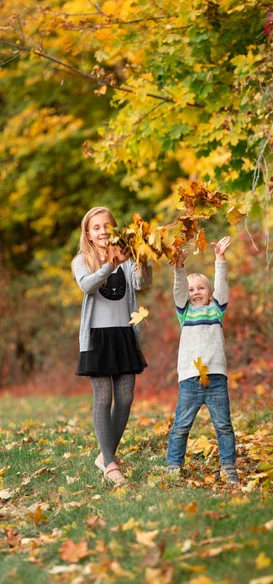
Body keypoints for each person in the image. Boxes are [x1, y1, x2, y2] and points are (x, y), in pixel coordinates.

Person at [72, 207, 152, 485]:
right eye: (96, 227)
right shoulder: (82, 260)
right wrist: (109, 263)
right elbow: (87, 285)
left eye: (108, 225)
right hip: (97, 337)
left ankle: (106, 455)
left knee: (126, 398)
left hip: (124, 335)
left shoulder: (127, 259)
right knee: (103, 398)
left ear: (116, 229)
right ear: (89, 234)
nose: (103, 231)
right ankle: (110, 463)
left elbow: (142, 283)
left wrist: (142, 258)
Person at [166, 236, 239, 485]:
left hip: (216, 377)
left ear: (210, 293)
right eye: (192, 289)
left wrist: (220, 259)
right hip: (190, 379)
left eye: (201, 288)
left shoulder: (216, 310)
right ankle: (173, 466)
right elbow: (178, 290)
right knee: (180, 427)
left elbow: (222, 285)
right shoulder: (184, 313)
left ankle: (228, 466)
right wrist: (179, 268)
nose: (196, 292)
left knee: (224, 426)